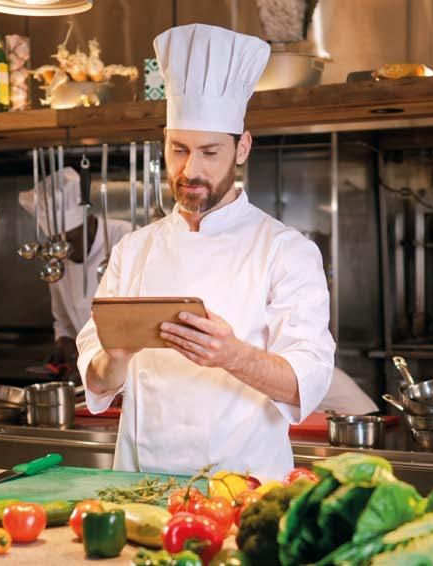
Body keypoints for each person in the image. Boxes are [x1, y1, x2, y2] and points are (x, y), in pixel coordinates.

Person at [76, 24, 336, 479]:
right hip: (140, 486)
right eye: (178, 149)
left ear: (242, 148)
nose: (190, 169)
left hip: (244, 489)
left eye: (210, 152)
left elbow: (304, 384)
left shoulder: (286, 251)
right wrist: (114, 358)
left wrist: (232, 354)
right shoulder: (134, 250)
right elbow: (97, 382)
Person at [18, 167, 132, 371]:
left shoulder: (125, 237)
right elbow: (64, 323)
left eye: (70, 239)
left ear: (88, 221)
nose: (65, 250)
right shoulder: (57, 262)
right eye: (57, 242)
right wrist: (64, 348)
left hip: (133, 366)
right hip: (91, 370)